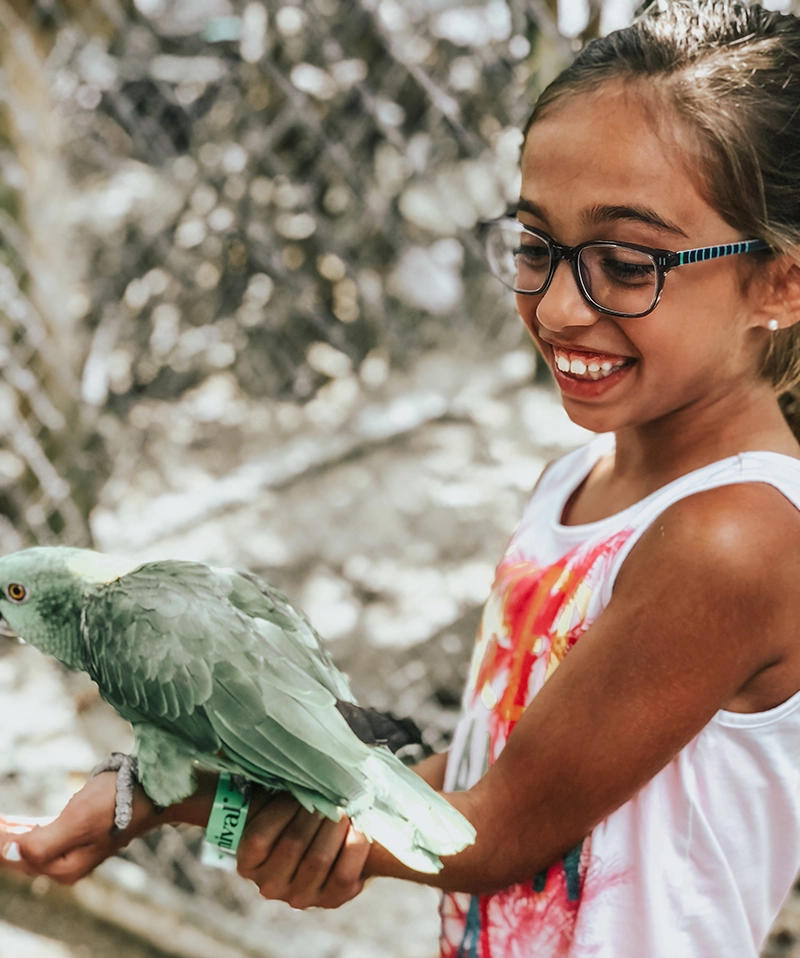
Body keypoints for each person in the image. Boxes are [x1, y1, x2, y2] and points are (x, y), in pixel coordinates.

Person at [6, 0, 800, 953]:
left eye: (627, 264)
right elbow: (475, 790)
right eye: (535, 246)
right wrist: (171, 800)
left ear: (780, 283)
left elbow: (491, 832)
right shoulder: (580, 479)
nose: (555, 306)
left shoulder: (734, 539)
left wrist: (170, 808)